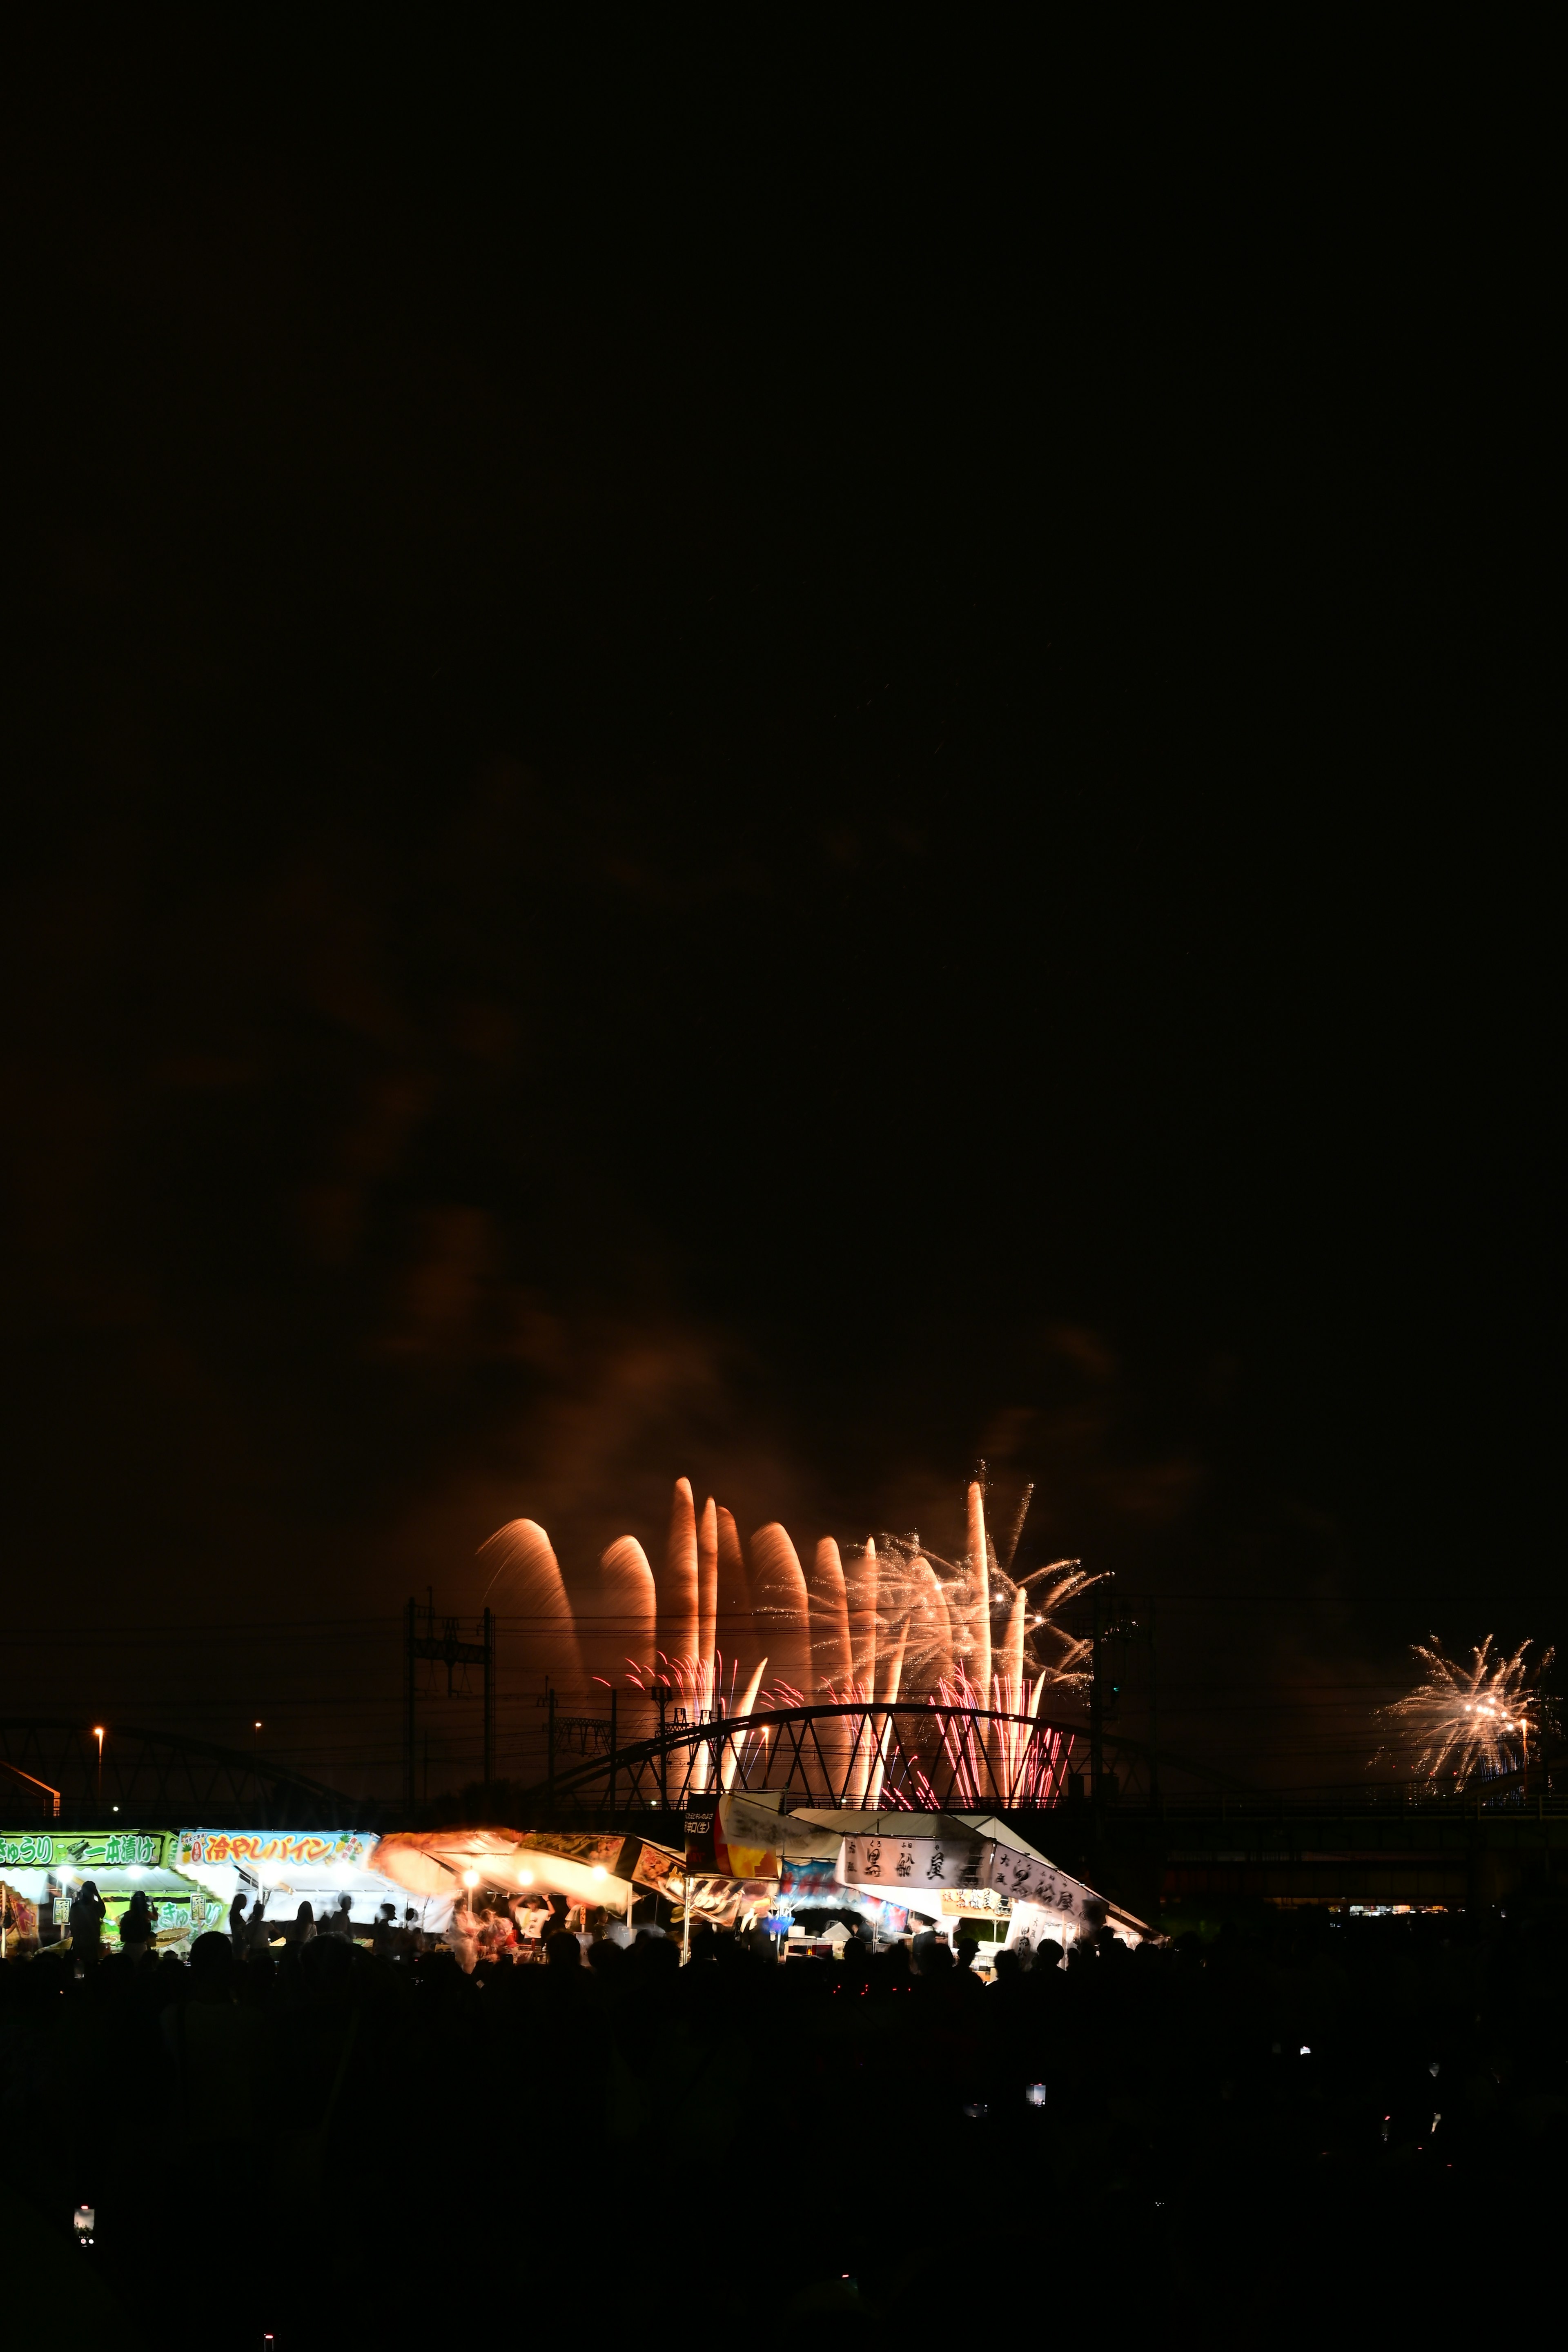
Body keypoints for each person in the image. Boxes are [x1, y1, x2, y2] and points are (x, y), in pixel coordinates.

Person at [69, 1879, 106, 1964]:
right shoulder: (96, 1906)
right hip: (92, 1942)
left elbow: (73, 1925)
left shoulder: (76, 1906)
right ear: (94, 1892)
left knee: (79, 1966)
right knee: (92, 1966)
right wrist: (98, 1896)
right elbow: (103, 1913)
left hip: (79, 1941)